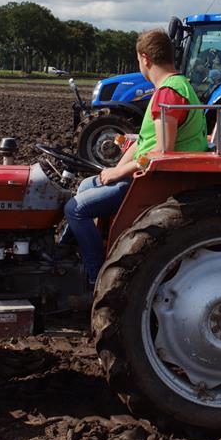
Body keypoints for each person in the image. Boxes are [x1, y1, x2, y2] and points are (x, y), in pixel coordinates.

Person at [64, 29, 208, 285]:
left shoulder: (167, 94)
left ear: (145, 58)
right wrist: (113, 170)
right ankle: (65, 256)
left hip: (152, 181)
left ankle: (95, 278)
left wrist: (119, 172)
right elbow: (145, 141)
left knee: (75, 209)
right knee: (86, 185)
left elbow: (163, 152)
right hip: (144, 174)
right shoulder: (180, 86)